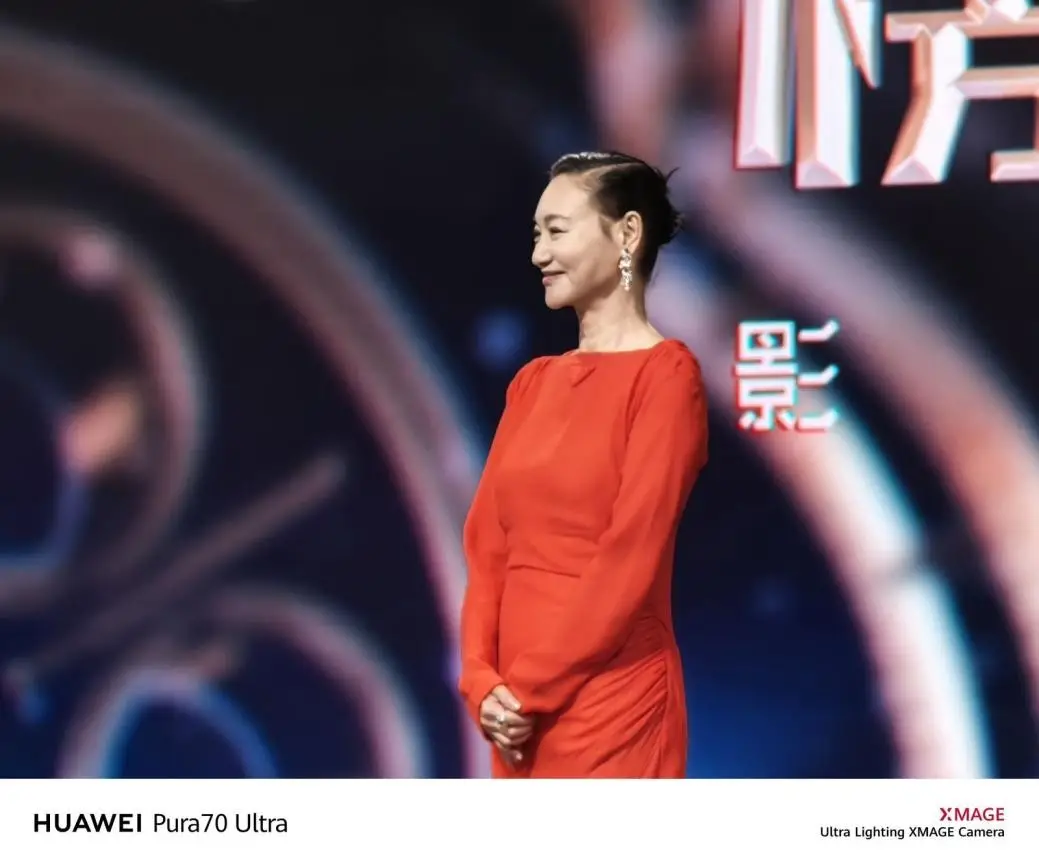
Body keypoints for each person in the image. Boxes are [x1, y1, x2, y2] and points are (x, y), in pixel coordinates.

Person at [458, 151, 709, 778]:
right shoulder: (532, 383)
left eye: (557, 232)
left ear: (627, 233)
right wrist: (481, 682)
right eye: (535, 235)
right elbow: (487, 548)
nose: (539, 255)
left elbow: (631, 556)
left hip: (609, 708)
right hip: (515, 722)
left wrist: (528, 689)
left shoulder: (665, 378)